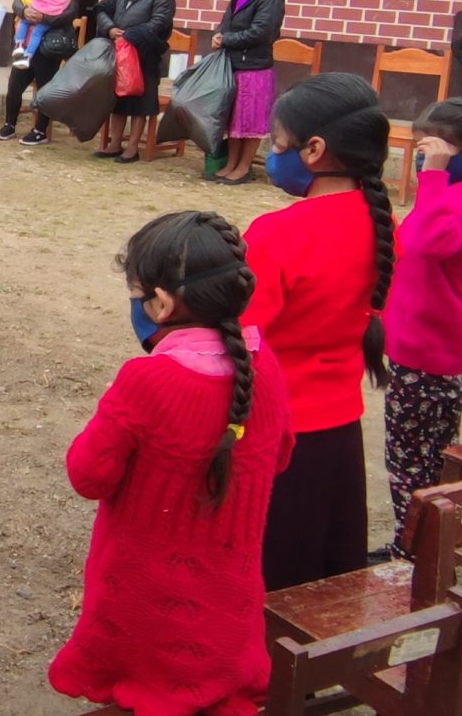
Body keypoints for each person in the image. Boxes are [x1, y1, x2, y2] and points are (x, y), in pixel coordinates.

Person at [49, 211, 292, 713]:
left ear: (160, 304)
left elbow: (88, 475)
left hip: (142, 602)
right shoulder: (264, 365)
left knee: (151, 691)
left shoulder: (148, 382)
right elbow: (282, 454)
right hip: (233, 598)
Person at [242, 73, 393, 590]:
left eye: (276, 141)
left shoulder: (278, 233)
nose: (271, 152)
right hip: (341, 426)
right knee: (326, 576)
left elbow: (243, 335)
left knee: (274, 574)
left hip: (280, 430)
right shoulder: (383, 225)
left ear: (314, 149)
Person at [376, 99, 462, 561]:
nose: (423, 157)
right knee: (434, 451)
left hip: (427, 350)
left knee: (410, 458)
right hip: (440, 340)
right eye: (420, 149)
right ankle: (427, 545)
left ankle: (412, 552)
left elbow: (426, 242)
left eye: (435, 149)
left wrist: (431, 178)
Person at [213, 0, 289, 184]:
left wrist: (227, 40)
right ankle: (231, 163)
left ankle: (244, 166)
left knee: (250, 120)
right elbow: (227, 21)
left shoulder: (271, 0)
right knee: (234, 119)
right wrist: (219, 34)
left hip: (254, 67)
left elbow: (260, 33)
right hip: (233, 64)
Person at [0, 0, 87, 145]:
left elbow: (70, 13)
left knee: (45, 89)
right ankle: (9, 125)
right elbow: (18, 1)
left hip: (48, 47)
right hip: (25, 44)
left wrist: (44, 18)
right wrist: (24, 11)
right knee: (14, 84)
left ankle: (40, 130)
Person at [92, 0, 176, 162]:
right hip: (120, 52)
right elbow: (103, 7)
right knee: (118, 98)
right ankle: (114, 143)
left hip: (145, 54)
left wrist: (130, 35)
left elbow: (159, 23)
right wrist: (110, 28)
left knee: (141, 102)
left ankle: (132, 148)